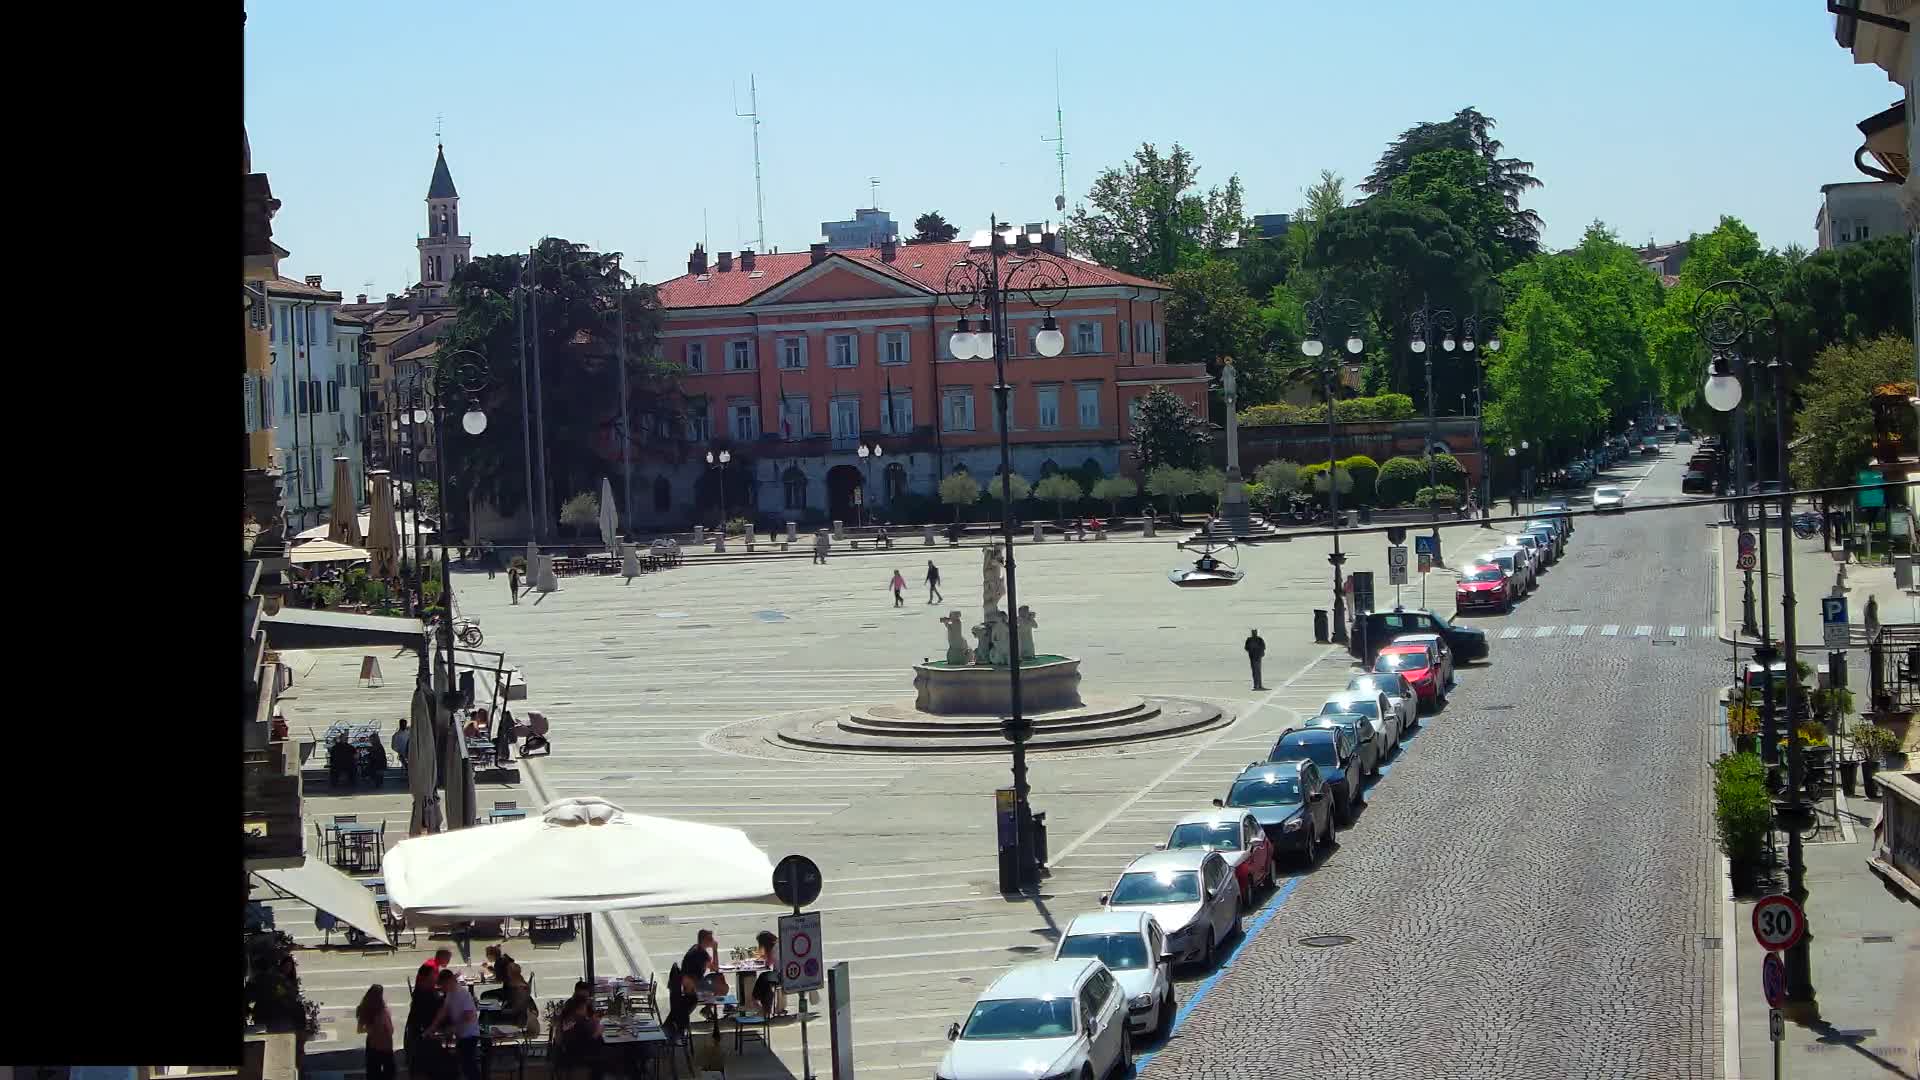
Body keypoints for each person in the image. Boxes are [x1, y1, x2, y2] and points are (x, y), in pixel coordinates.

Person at [428, 968, 482, 1080]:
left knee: (468, 1065)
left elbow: (469, 1016)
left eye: (442, 985)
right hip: (461, 1034)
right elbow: (443, 1010)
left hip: (470, 1034)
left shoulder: (463, 994)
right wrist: (432, 1027)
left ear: (449, 981)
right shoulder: (450, 993)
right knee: (463, 1064)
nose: (441, 989)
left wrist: (453, 1027)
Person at [404, 963, 444, 1078]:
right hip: (422, 1039)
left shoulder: (424, 989)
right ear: (426, 977)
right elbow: (434, 1008)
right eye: (434, 975)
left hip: (422, 1036)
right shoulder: (424, 993)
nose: (436, 977)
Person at [357, 984, 396, 1080]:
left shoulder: (364, 1009)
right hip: (385, 1045)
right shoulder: (384, 1012)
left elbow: (359, 1030)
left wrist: (371, 1030)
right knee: (388, 1073)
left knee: (372, 1073)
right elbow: (391, 1030)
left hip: (372, 1045)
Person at [751, 930, 782, 1016]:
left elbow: (768, 964)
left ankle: (755, 999)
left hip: (779, 974)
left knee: (763, 977)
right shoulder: (779, 944)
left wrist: (763, 956)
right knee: (766, 981)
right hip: (784, 972)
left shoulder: (773, 948)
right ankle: (763, 1006)